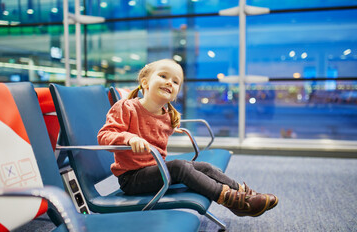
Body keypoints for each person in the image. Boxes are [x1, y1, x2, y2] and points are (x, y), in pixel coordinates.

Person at [97, 59, 278, 217]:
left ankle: (243, 193)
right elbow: (105, 135)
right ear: (145, 82)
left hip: (156, 171)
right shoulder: (127, 107)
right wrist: (128, 138)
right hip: (132, 178)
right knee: (179, 167)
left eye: (175, 81)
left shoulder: (167, 115)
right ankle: (230, 200)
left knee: (205, 167)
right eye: (163, 76)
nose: (169, 82)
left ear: (176, 93)